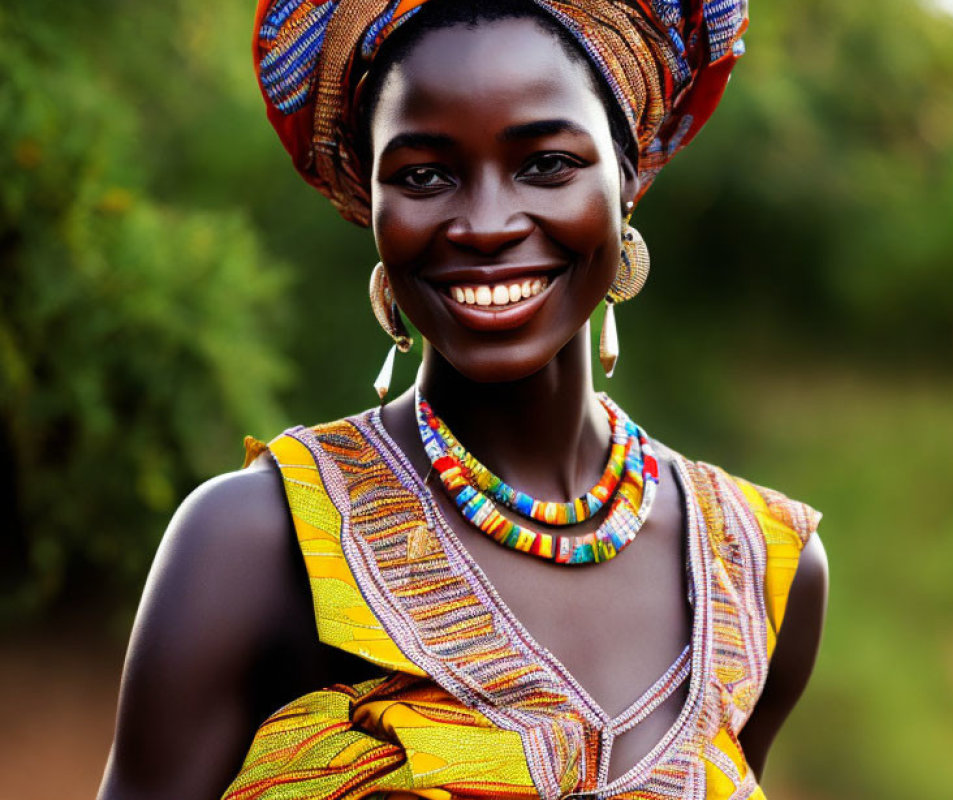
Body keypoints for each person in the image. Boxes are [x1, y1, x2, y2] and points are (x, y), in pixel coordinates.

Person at [99, 1, 828, 798]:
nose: (485, 225)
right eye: (423, 175)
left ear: (626, 179)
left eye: (546, 163)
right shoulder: (254, 544)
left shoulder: (761, 573)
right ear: (369, 204)